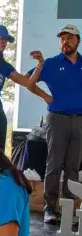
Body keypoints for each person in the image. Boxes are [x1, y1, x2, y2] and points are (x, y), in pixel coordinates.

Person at [26, 24, 82, 224]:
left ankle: (68, 208)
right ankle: (50, 209)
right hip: (57, 119)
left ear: (78, 41)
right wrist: (44, 96)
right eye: (62, 38)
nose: (65, 42)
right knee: (54, 164)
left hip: (80, 120)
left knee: (73, 166)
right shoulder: (50, 63)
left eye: (69, 38)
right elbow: (27, 80)